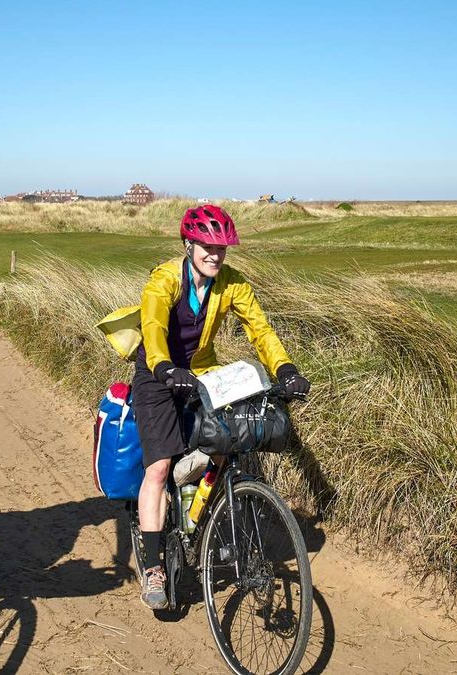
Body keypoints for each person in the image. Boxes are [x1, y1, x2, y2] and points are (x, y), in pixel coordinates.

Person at [131, 204, 311, 609]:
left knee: (231, 439)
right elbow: (154, 326)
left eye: (222, 247)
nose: (215, 254)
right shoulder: (163, 280)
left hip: (201, 372)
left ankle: (215, 517)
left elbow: (260, 328)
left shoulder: (231, 283)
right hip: (157, 376)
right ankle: (154, 567)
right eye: (206, 246)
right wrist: (162, 366)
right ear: (188, 244)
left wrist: (285, 369)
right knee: (158, 468)